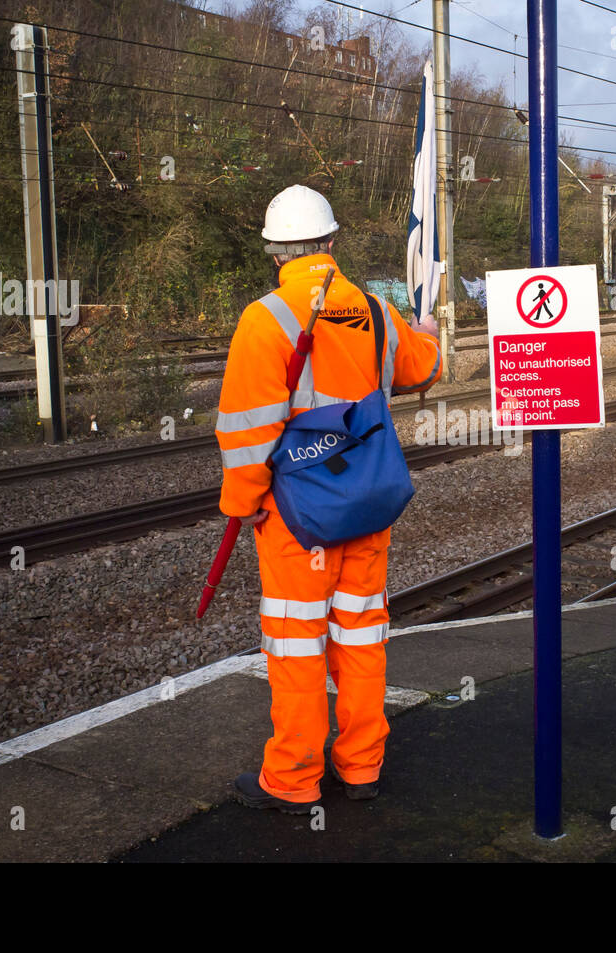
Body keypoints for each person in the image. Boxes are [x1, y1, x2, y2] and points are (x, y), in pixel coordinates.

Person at [215, 184, 442, 813]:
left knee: (296, 645)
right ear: (332, 243)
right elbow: (424, 368)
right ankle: (362, 767)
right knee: (362, 635)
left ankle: (292, 781)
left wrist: (244, 503)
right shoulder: (373, 309)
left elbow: (245, 431)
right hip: (367, 505)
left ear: (275, 251)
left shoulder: (266, 319)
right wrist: (427, 331)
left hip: (297, 517)